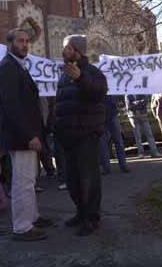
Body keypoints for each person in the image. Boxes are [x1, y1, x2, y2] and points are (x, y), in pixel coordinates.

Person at [0, 28, 52, 242]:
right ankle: (22, 226)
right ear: (10, 44)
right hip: (20, 137)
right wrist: (30, 135)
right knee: (23, 182)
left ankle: (33, 217)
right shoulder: (8, 67)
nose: (25, 45)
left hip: (25, 135)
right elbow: (13, 107)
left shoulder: (17, 66)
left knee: (29, 179)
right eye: (20, 41)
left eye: (27, 41)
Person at [55, 34, 107, 236]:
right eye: (64, 47)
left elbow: (98, 93)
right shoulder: (63, 74)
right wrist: (57, 127)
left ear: (78, 50)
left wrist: (80, 78)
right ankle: (80, 212)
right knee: (73, 180)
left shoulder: (92, 72)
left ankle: (92, 218)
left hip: (86, 135)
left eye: (68, 47)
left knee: (89, 179)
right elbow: (60, 104)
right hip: (67, 136)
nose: (65, 51)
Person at [99, 95, 130, 174]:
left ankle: (122, 165)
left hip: (110, 114)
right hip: (102, 115)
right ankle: (107, 167)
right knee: (104, 143)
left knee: (117, 141)